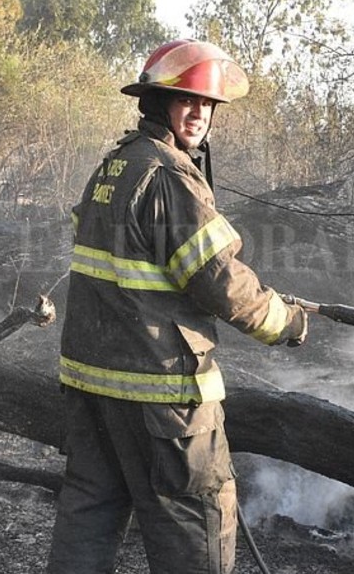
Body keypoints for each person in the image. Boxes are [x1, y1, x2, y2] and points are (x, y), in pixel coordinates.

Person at [47, 39, 308, 574]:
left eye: (207, 105)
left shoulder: (114, 167)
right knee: (195, 532)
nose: (199, 114)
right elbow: (217, 279)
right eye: (186, 101)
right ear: (156, 104)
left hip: (93, 386)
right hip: (160, 392)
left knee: (88, 520)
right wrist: (285, 320)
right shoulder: (169, 176)